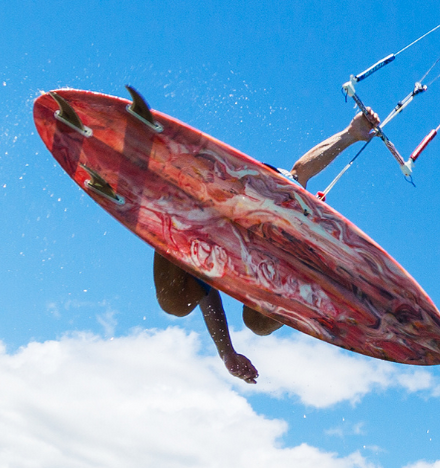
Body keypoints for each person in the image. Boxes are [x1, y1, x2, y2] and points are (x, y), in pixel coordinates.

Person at [154, 111, 380, 384]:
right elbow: (204, 294)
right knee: (187, 306)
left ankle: (308, 280)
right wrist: (227, 353)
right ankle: (309, 287)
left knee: (255, 321)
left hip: (252, 214)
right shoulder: (212, 254)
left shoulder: (256, 211)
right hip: (221, 235)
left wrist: (350, 135)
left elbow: (299, 173)